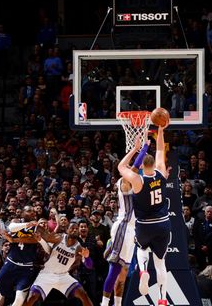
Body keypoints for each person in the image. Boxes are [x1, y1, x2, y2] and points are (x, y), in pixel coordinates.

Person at [117, 127, 171, 305]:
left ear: (141, 166)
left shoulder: (137, 180)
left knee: (141, 249)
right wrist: (160, 132)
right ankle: (162, 300)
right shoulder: (162, 173)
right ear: (154, 165)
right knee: (161, 262)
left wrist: (135, 149)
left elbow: (120, 167)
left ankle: (143, 271)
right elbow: (161, 150)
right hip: (163, 223)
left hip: (144, 224)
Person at [100, 144, 139, 306]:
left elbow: (136, 167)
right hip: (123, 227)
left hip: (131, 231)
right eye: (127, 167)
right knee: (115, 268)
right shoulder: (124, 182)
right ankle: (104, 303)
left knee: (123, 272)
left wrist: (143, 149)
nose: (131, 168)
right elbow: (134, 166)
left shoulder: (131, 180)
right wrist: (139, 149)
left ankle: (117, 304)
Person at [22, 223, 93, 306]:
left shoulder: (79, 248)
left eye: (76, 229)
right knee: (32, 298)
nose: (74, 230)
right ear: (67, 230)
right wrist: (39, 236)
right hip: (47, 274)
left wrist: (87, 257)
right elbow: (47, 237)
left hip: (63, 276)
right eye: (72, 228)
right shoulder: (59, 237)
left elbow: (89, 266)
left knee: (83, 294)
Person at [0, 206, 39, 306]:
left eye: (34, 211)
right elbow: (11, 228)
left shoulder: (37, 227)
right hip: (11, 264)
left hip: (26, 267)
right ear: (22, 213)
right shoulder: (16, 221)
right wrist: (27, 224)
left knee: (19, 300)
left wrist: (13, 240)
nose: (33, 213)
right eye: (29, 210)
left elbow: (35, 240)